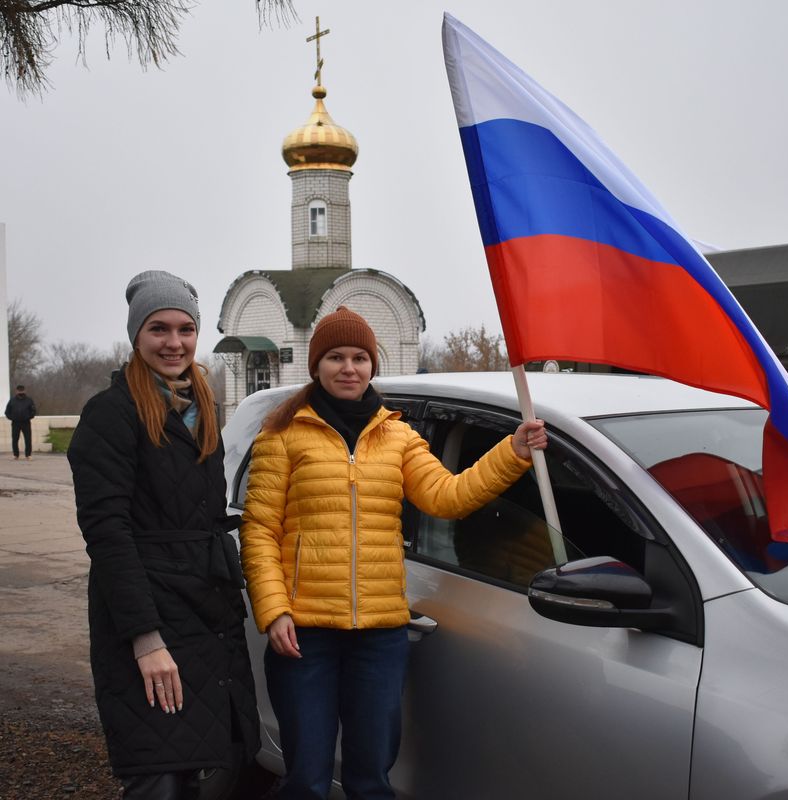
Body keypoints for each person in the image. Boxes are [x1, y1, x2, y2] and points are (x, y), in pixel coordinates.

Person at [240, 306, 548, 800]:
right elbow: (258, 531)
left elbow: (447, 496)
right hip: (304, 635)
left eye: (360, 357)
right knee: (307, 780)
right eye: (336, 357)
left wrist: (511, 453)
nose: (349, 368)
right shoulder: (283, 435)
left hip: (379, 637)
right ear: (316, 365)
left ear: (372, 366)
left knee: (370, 780)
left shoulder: (399, 436)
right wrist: (274, 611)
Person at [67, 270, 260, 799]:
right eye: (158, 329)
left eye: (185, 329)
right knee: (160, 775)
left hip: (206, 613)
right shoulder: (110, 414)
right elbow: (107, 533)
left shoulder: (202, 408)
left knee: (206, 764)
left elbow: (211, 514)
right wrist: (145, 641)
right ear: (137, 335)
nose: (174, 343)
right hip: (148, 617)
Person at [5, 383, 36, 460]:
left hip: (26, 423)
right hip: (15, 423)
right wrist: (12, 418)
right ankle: (16, 455)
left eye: (22, 390)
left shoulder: (29, 400)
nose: (20, 392)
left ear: (24, 391)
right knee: (15, 439)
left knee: (28, 439)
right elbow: (7, 411)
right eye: (19, 391)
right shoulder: (12, 400)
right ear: (16, 391)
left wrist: (28, 417)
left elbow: (33, 411)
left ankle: (28, 455)